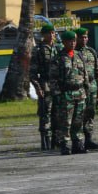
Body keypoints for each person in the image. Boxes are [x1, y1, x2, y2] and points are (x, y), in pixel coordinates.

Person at [52, 30, 86, 156]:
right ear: (64, 42)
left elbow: (84, 74)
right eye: (70, 41)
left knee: (78, 120)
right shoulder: (58, 58)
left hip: (80, 92)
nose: (73, 43)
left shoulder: (79, 55)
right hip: (66, 93)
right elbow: (53, 79)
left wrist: (86, 88)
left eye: (74, 40)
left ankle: (78, 144)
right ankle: (65, 145)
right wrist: (58, 95)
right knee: (66, 121)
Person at [75, 28, 98, 151]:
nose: (84, 39)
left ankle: (88, 139)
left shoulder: (91, 51)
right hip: (79, 88)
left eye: (86, 37)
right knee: (79, 114)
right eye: (82, 37)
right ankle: (78, 140)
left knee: (90, 113)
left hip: (92, 87)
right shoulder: (73, 53)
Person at [32, 23, 58, 151]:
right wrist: (38, 87)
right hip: (45, 84)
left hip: (57, 85)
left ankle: (55, 139)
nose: (52, 35)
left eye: (53, 33)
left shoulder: (58, 48)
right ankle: (45, 140)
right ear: (44, 35)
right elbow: (33, 72)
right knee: (45, 112)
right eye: (49, 33)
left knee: (57, 112)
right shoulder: (38, 50)